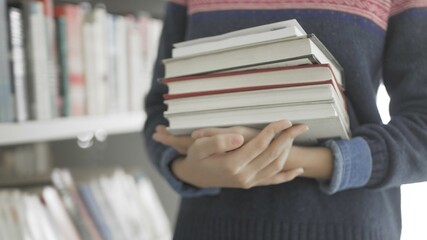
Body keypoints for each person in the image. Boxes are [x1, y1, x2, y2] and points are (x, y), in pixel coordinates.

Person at [143, 0, 427, 239]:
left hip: (347, 227)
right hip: (205, 227)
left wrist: (293, 158)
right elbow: (161, 105)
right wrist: (187, 170)